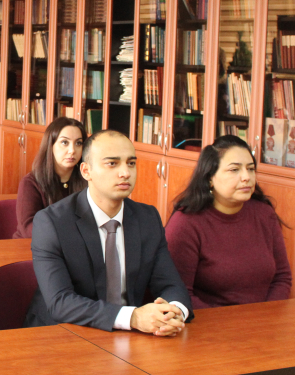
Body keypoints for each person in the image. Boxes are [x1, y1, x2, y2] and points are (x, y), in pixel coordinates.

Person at [24, 130, 193, 334]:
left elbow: (170, 284)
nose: (125, 173)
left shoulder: (147, 218)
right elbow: (60, 302)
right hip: (63, 334)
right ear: (86, 171)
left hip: (128, 337)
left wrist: (173, 313)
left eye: (131, 163)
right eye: (112, 163)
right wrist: (132, 317)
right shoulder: (53, 222)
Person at [165, 136, 292, 309]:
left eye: (251, 169)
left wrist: (266, 317)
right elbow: (178, 293)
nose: (246, 177)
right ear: (210, 177)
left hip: (263, 324)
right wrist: (228, 325)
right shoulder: (186, 223)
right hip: (209, 326)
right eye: (234, 170)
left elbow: (282, 278)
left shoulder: (264, 213)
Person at [14, 117, 88, 239]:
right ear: (50, 145)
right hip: (33, 248)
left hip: (74, 247)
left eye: (78, 143)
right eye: (65, 142)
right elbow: (28, 228)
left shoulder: (88, 179)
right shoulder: (31, 183)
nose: (72, 150)